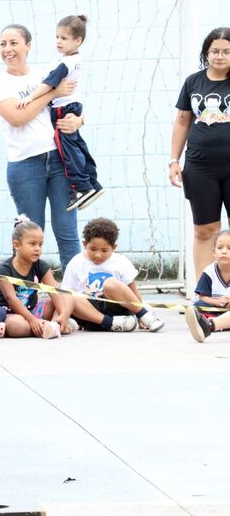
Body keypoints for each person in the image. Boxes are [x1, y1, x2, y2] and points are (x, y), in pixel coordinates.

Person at [0, 23, 83, 270]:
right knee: (29, 235)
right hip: (25, 166)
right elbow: (17, 117)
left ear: (27, 46)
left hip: (58, 160)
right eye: (3, 44)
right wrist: (51, 93)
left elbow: (72, 103)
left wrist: (79, 120)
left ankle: (77, 297)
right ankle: (27, 294)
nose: (7, 49)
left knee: (67, 229)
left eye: (13, 43)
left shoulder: (45, 75)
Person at [17, 15, 104, 211]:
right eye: (57, 37)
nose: (58, 42)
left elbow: (49, 84)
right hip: (71, 106)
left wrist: (30, 98)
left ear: (78, 41)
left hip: (64, 109)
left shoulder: (65, 63)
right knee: (77, 144)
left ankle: (82, 186)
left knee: (67, 148)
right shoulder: (70, 59)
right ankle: (92, 183)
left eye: (64, 38)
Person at [169, 27, 230, 279]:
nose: (220, 56)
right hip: (200, 167)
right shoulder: (193, 82)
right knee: (205, 230)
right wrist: (174, 160)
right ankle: (205, 292)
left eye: (226, 52)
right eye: (215, 51)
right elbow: (182, 121)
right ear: (206, 53)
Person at [63, 218, 165, 332]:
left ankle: (145, 316)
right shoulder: (76, 262)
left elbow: (132, 292)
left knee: (110, 284)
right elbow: (66, 294)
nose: (97, 255)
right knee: (70, 296)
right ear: (84, 244)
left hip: (117, 310)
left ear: (114, 248)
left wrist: (140, 315)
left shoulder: (121, 262)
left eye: (104, 250)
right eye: (92, 249)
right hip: (90, 315)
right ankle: (111, 323)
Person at [0, 215, 74, 338]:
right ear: (17, 245)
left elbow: (53, 290)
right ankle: (49, 328)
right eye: (32, 244)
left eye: (40, 244)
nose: (37, 249)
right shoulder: (4, 269)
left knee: (67, 298)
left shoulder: (41, 266)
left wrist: (63, 314)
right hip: (12, 314)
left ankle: (57, 323)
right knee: (15, 326)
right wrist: (32, 320)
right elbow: (11, 299)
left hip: (34, 310)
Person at [191, 230, 230, 318]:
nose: (224, 251)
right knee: (198, 305)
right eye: (220, 248)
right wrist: (218, 302)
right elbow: (202, 297)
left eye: (229, 248)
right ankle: (212, 321)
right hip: (213, 307)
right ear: (214, 252)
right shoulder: (209, 272)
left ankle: (214, 322)